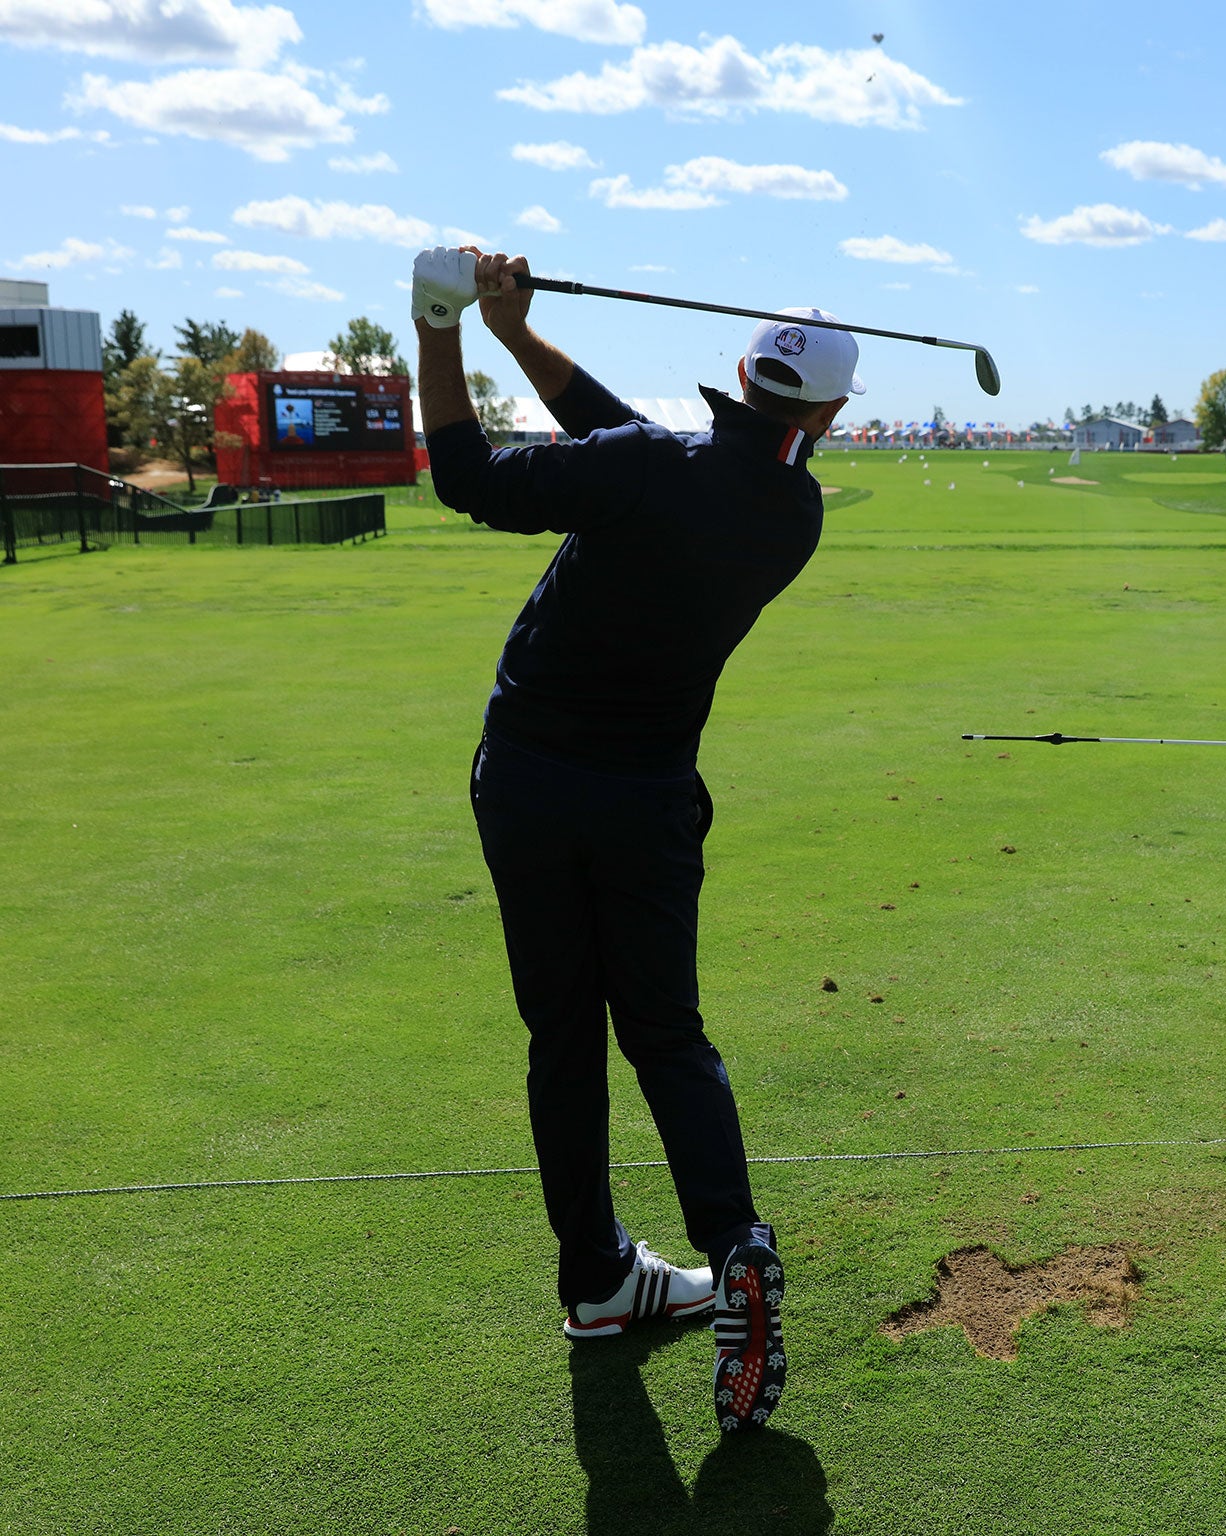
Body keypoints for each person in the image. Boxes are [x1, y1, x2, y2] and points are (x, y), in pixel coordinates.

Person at [409, 244, 860, 1433]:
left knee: (562, 1036)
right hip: (648, 800)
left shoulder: (648, 469)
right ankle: (734, 1241)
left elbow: (466, 477)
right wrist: (515, 336)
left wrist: (441, 322)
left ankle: (598, 1279)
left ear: (740, 371)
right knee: (665, 1034)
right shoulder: (789, 511)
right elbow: (633, 452)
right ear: (831, 410)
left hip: (528, 786)